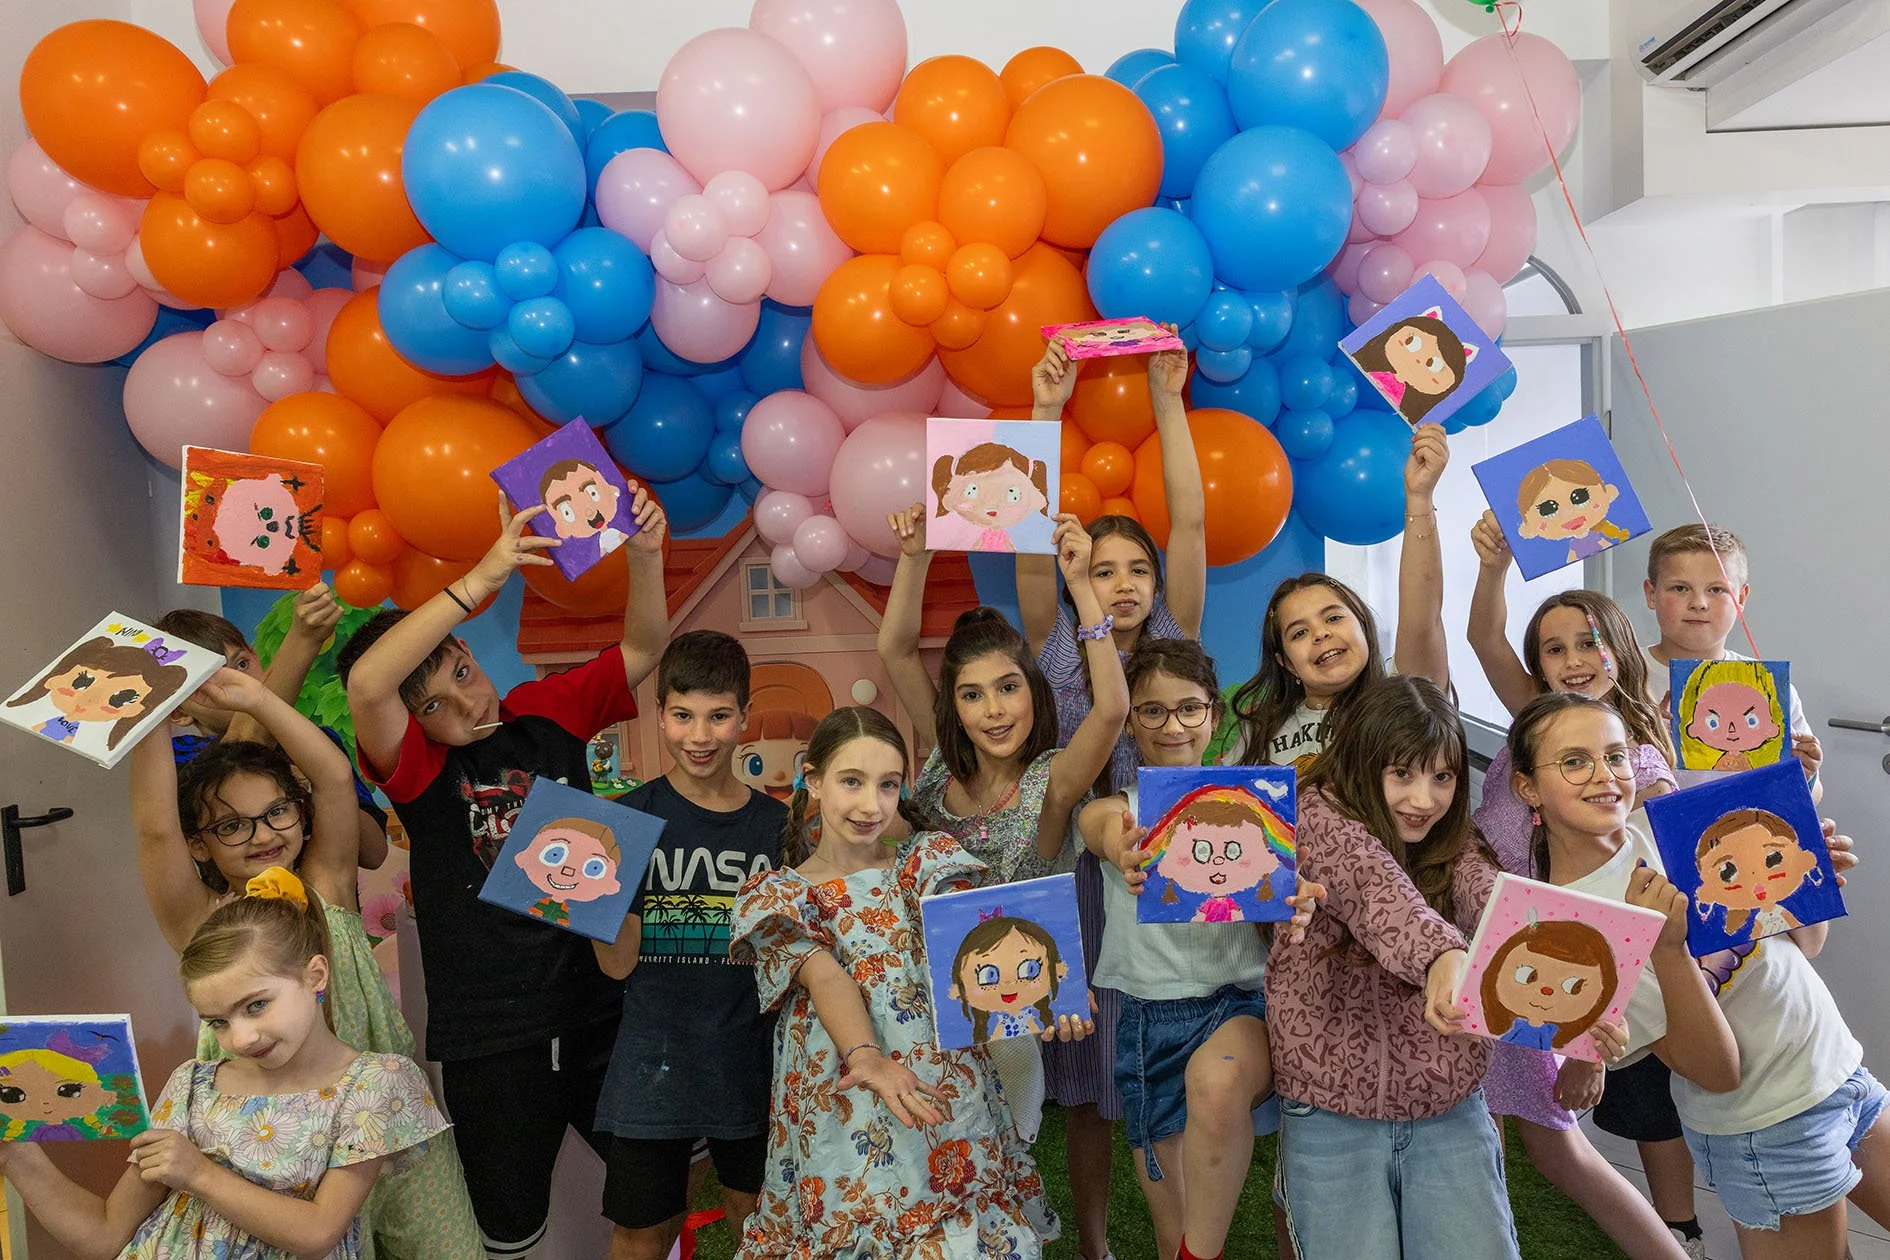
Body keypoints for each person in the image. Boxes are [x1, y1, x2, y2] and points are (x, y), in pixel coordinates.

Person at [338, 490, 667, 1259]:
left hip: (600, 1014)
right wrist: (478, 581)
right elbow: (365, 688)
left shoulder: (542, 712)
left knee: (653, 1199)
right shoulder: (419, 773)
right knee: (508, 1232)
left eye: (463, 669)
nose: (465, 698)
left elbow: (644, 651)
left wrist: (648, 555)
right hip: (495, 1041)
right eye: (435, 703)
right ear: (410, 721)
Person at [1506, 691, 1880, 1260]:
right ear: (1528, 787)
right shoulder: (1572, 932)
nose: (1604, 776)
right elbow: (1716, 1070)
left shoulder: (1667, 828)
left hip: (1838, 1072)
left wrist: (1803, 877)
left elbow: (1805, 947)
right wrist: (1668, 949)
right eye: (1574, 761)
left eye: (1615, 756)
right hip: (1770, 1124)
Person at [128, 665, 483, 1257]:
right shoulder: (201, 915)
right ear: (200, 844)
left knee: (436, 1239)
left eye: (276, 812)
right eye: (230, 826)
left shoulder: (326, 879)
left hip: (373, 1104)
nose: (261, 834)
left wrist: (258, 698)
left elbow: (333, 776)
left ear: (299, 809)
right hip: (265, 1122)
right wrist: (147, 728)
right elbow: (154, 832)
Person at [729, 706, 1087, 1257]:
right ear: (814, 778)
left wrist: (1045, 999)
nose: (871, 804)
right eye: (852, 781)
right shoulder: (778, 895)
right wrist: (867, 1056)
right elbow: (825, 977)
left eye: (888, 784)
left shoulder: (927, 863)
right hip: (844, 1097)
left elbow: (982, 949)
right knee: (860, 1221)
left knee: (956, 1228)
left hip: (942, 1088)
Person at [1018, 328, 1205, 1260]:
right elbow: (1027, 537)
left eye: (1138, 569)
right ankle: (1091, 1245)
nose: (1124, 584)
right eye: (1101, 569)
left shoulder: (1177, 642)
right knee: (1092, 1087)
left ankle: (1182, 1236)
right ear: (1072, 579)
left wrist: (1168, 401)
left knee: (1170, 1069)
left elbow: (1193, 524)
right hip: (1082, 885)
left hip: (1177, 880)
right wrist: (1045, 417)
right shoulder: (1057, 646)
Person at [0, 870, 448, 1258]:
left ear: (315, 975)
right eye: (217, 1021)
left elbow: (317, 1233)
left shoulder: (374, 1084)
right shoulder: (192, 1085)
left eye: (255, 1005)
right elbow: (104, 1234)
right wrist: (16, 1154)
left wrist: (197, 1172)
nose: (239, 1038)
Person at [1466, 518, 1691, 1257]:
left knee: (1558, 1151)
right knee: (1475, 1134)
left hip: (1546, 964)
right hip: (1483, 946)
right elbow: (1484, 640)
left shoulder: (1634, 765)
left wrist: (1593, 1041)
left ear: (1621, 652)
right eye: (1554, 648)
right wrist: (1494, 565)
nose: (1573, 659)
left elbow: (1633, 905)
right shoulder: (1540, 722)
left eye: (1589, 642)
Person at [1268, 675, 1552, 1260]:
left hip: (1449, 1102)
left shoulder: (1457, 837)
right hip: (1329, 1109)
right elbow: (1375, 891)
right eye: (1402, 773)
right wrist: (1444, 955)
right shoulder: (1315, 816)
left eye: (1442, 777)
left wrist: (1584, 998)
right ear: (1362, 762)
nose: (1424, 799)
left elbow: (1491, 897)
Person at [880, 507, 1125, 1142]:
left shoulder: (1052, 784)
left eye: (1009, 687)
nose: (993, 710)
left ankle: (1018, 1138)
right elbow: (895, 649)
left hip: (1005, 1006)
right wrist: (914, 556)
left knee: (992, 1153)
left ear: (1033, 692)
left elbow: (1112, 709)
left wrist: (1082, 593)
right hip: (920, 989)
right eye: (972, 694)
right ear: (953, 707)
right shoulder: (939, 767)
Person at [1078, 638, 1320, 1260]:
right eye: (1152, 711)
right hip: (1148, 1019)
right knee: (1174, 1230)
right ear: (1131, 721)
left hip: (1241, 1001)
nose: (1173, 725)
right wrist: (1122, 850)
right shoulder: (1117, 809)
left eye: (1189, 708)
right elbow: (1100, 829)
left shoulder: (1260, 806)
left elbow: (1291, 886)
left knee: (1275, 1197)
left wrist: (1299, 900)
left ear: (1214, 714)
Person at [592, 630, 787, 1260]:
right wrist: (589, 904)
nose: (700, 736)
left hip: (750, 1055)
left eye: (718, 716)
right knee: (642, 1230)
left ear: (744, 717)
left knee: (762, 1224)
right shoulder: (619, 823)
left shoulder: (780, 827)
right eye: (682, 716)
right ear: (660, 714)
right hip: (654, 1054)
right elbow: (616, 965)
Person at [1211, 424, 1453, 771]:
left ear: (1364, 627)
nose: (1320, 634)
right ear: (1286, 663)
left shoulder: (1401, 702)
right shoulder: (1257, 731)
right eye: (1298, 632)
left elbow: (1421, 620)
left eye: (1334, 617)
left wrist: (1419, 498)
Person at [156, 594, 389, 870]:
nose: (238, 682)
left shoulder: (317, 741)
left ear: (256, 656)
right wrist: (303, 639)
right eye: (208, 681)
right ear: (179, 713)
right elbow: (237, 752)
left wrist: (317, 790)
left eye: (242, 664)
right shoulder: (180, 759)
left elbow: (374, 854)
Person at [1639, 524, 1822, 798]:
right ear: (1651, 594)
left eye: (1717, 589)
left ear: (1741, 597)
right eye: (1680, 588)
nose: (1699, 603)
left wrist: (1804, 774)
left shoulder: (1767, 687)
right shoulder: (1621, 677)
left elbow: (1813, 794)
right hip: (1643, 837)